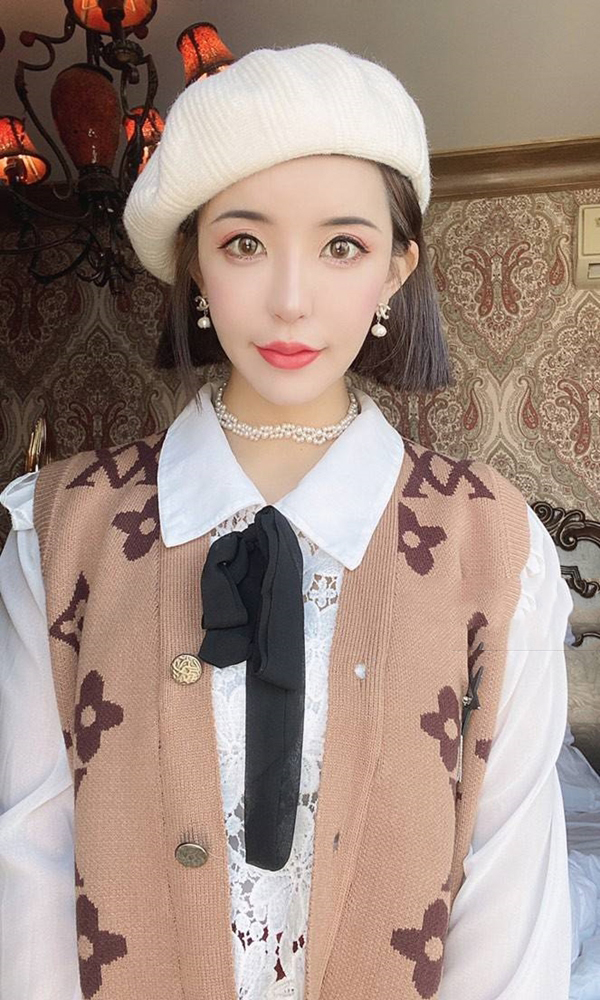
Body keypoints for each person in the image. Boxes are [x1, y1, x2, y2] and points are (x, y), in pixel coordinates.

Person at [0, 41, 574, 1000]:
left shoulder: (494, 547)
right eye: (244, 243)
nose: (292, 299)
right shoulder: (57, 534)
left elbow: (510, 891)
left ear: (396, 270)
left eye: (343, 246)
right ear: (193, 264)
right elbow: (25, 864)